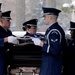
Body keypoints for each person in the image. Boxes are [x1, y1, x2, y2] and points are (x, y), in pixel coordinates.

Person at [39, 7, 66, 75]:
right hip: (49, 64)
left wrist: (42, 44)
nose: (44, 18)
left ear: (50, 17)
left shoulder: (54, 31)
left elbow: (55, 50)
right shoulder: (51, 29)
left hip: (52, 65)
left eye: (45, 16)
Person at [0, 10, 18, 75]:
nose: (10, 22)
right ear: (2, 21)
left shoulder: (8, 32)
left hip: (7, 60)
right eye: (8, 20)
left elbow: (14, 38)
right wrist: (6, 39)